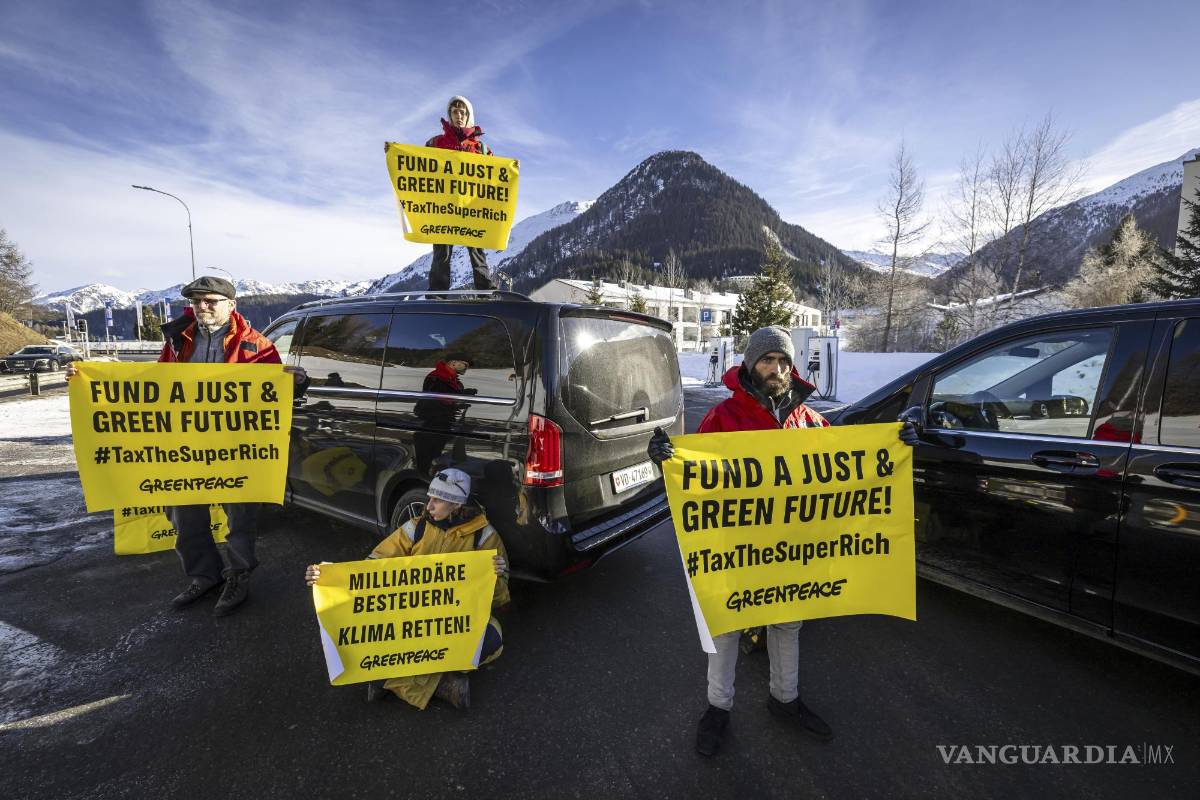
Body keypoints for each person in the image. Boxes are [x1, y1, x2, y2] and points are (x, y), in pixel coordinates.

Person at [647, 325, 919, 757]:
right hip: (735, 548)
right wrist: (667, 459)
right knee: (728, 626)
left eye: (783, 361)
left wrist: (896, 445)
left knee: (788, 623)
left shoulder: (809, 421)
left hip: (792, 548)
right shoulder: (724, 418)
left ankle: (785, 700)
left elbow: (846, 469)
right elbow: (694, 480)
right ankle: (718, 708)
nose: (776, 369)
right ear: (751, 364)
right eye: (767, 360)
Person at [65, 275, 303, 616]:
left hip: (236, 447)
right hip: (184, 447)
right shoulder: (178, 340)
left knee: (240, 517)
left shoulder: (257, 345)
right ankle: (203, 575)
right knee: (183, 513)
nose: (202, 306)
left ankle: (238, 575)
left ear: (231, 305)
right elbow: (155, 384)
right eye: (196, 301)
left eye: (210, 301)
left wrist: (297, 381)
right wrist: (87, 378)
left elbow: (274, 393)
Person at [305, 468, 509, 710]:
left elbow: (499, 599)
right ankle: (443, 685)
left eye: (437, 500)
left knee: (491, 640)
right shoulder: (416, 526)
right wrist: (329, 576)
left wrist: (495, 576)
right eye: (429, 497)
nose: (429, 505)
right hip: (412, 619)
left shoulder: (484, 537)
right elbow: (373, 566)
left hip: (451, 621)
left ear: (455, 505)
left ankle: (386, 678)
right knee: (367, 628)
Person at [424, 96, 500, 292]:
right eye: (455, 112)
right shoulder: (435, 144)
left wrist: (512, 170)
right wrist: (394, 153)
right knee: (441, 253)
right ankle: (437, 296)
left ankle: (485, 293)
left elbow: (495, 177)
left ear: (469, 116)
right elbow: (418, 166)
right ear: (449, 115)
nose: (459, 116)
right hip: (444, 206)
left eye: (463, 112)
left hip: (471, 207)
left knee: (477, 251)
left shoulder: (481, 150)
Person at [413, 355, 476, 475]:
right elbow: (436, 399)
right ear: (453, 363)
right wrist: (461, 395)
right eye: (464, 364)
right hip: (431, 424)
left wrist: (461, 397)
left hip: (442, 424)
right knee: (427, 460)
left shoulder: (451, 378)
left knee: (435, 457)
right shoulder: (437, 377)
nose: (466, 368)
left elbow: (447, 398)